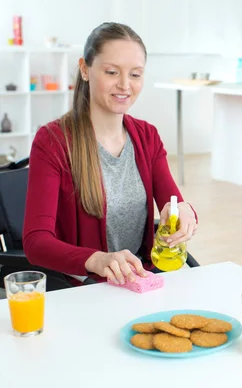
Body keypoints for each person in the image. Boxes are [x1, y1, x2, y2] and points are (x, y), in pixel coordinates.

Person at [23, 22, 197, 286]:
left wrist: (184, 211)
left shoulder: (147, 136)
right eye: (112, 72)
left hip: (143, 278)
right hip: (88, 285)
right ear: (85, 69)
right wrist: (96, 259)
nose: (125, 85)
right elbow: (36, 242)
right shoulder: (53, 142)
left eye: (136, 75)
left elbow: (172, 203)